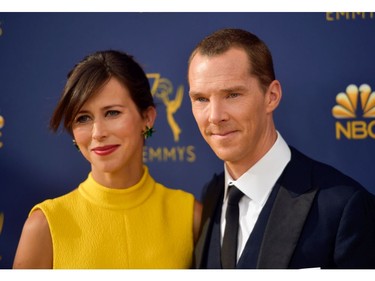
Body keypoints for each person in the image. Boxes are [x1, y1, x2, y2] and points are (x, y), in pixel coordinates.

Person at [187, 28, 375, 269]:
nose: (215, 116)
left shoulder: (344, 207)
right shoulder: (211, 195)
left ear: (271, 96)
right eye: (201, 99)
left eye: (232, 95)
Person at [13, 50, 202, 269]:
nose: (97, 133)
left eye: (112, 113)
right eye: (83, 118)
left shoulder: (190, 216)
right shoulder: (45, 225)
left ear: (147, 118)